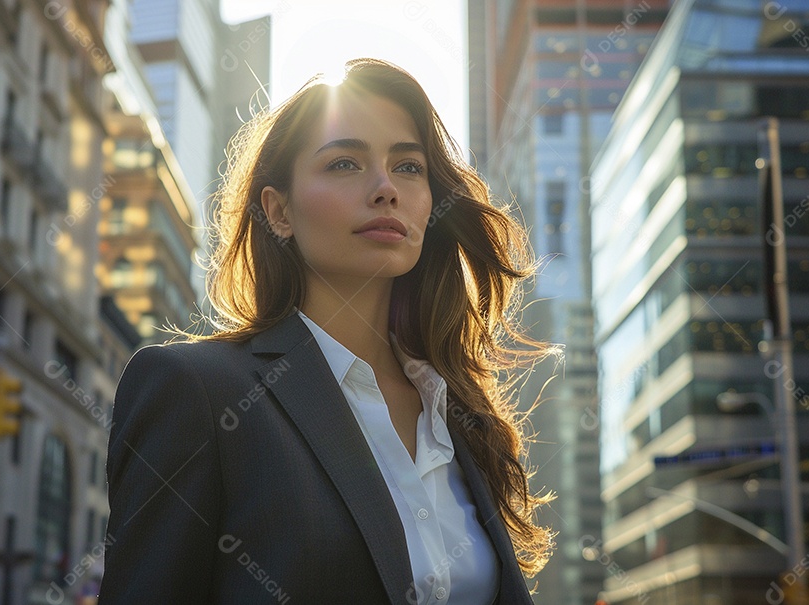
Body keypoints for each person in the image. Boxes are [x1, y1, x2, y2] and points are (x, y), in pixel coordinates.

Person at [99, 58, 556, 604]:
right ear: (279, 211)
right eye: (344, 163)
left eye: (409, 167)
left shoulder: (462, 414)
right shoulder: (195, 391)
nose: (387, 188)